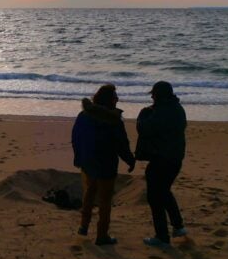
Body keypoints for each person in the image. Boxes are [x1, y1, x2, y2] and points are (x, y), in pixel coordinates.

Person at [71, 83, 136, 246]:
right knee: (105, 201)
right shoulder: (114, 120)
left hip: (88, 161)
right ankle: (102, 235)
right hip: (106, 163)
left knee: (89, 193)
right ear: (110, 100)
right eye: (115, 97)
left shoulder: (84, 115)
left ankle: (83, 227)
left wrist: (78, 156)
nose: (117, 99)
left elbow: (76, 137)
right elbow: (122, 145)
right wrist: (130, 160)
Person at [135, 81, 188, 247]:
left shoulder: (162, 112)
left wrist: (142, 115)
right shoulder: (177, 109)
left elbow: (145, 128)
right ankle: (178, 226)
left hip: (162, 159)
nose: (152, 97)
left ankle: (162, 236)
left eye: (153, 94)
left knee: (154, 197)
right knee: (164, 191)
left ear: (158, 95)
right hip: (175, 159)